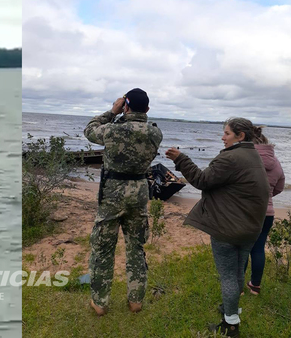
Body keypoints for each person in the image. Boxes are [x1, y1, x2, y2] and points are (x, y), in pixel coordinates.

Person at [165, 118, 270, 337]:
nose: (222, 137)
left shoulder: (231, 158)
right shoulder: (253, 155)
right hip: (251, 227)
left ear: (240, 136)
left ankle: (230, 325)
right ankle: (232, 310)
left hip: (229, 228)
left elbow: (202, 180)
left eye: (227, 133)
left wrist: (181, 158)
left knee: (228, 276)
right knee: (238, 271)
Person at [84, 88, 163, 316]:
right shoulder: (155, 133)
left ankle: (100, 302)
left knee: (103, 248)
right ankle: (135, 301)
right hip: (139, 191)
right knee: (136, 247)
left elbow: (90, 130)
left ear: (125, 106)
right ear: (147, 109)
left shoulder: (112, 129)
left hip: (112, 192)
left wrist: (112, 111)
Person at [244, 126, 285, 295]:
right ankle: (255, 286)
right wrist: (267, 197)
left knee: (242, 248)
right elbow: (280, 186)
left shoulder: (245, 159)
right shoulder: (275, 162)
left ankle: (238, 287)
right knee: (258, 248)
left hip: (245, 211)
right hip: (266, 213)